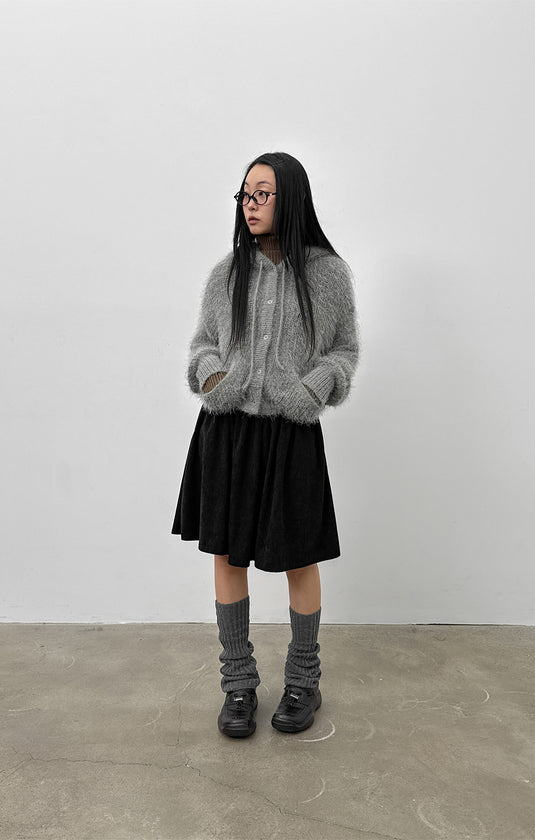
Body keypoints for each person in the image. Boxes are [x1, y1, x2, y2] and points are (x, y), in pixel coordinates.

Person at [172, 151, 360, 738]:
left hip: (291, 433)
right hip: (226, 432)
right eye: (244, 195)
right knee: (227, 557)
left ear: (291, 198)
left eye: (262, 194)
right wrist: (212, 377)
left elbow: (343, 352)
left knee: (299, 558)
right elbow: (202, 344)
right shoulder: (227, 273)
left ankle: (304, 679)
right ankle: (238, 683)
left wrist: (313, 390)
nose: (249, 206)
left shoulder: (327, 275)